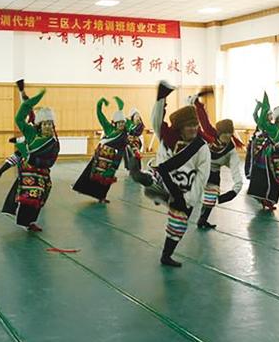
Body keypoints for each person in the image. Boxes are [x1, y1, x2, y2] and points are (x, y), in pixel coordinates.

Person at [126, 81, 210, 267]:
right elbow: (156, 120)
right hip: (163, 181)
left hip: (184, 190)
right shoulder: (168, 139)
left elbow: (202, 177)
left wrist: (188, 200)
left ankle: (166, 255)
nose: (193, 129)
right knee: (155, 177)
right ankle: (142, 176)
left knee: (179, 224)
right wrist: (161, 98)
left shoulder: (201, 148)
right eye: (188, 126)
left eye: (195, 125)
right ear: (180, 128)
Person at [1, 89, 60, 231]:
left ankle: (31, 221)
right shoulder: (31, 132)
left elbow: (50, 162)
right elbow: (19, 119)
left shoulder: (54, 143)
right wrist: (29, 103)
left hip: (42, 173)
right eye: (45, 124)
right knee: (29, 197)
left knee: (39, 197)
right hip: (27, 172)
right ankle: (24, 222)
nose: (47, 126)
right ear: (40, 125)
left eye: (50, 124)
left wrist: (32, 159)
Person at [190, 91, 244, 229]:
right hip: (200, 164)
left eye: (229, 134)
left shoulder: (231, 151)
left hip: (213, 171)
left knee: (211, 196)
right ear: (219, 133)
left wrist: (234, 191)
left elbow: (236, 171)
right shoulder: (210, 134)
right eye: (225, 134)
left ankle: (202, 220)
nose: (227, 137)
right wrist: (197, 104)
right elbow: (204, 120)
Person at [72, 96, 128, 203]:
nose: (121, 124)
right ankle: (84, 189)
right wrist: (99, 106)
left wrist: (114, 166)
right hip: (99, 157)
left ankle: (102, 197)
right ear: (115, 123)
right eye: (119, 122)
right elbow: (101, 116)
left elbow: (121, 151)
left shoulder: (124, 136)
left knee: (106, 179)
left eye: (123, 122)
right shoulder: (109, 128)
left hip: (110, 160)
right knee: (92, 175)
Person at [245, 92, 279, 211]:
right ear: (277, 117)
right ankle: (262, 198)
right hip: (264, 157)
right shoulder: (270, 127)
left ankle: (270, 200)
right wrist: (262, 107)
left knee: (275, 179)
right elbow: (260, 120)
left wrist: (278, 150)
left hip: (276, 158)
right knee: (262, 177)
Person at [0, 79, 35, 178]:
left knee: (18, 156)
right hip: (28, 145)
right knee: (17, 155)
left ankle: (1, 171)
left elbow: (32, 136)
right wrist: (21, 90)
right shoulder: (27, 117)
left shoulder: (33, 119)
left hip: (33, 147)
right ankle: (0, 171)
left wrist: (17, 140)